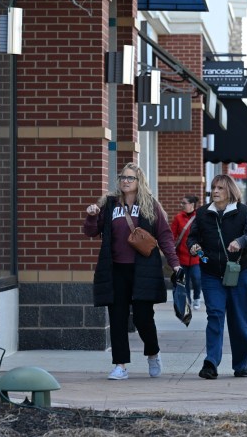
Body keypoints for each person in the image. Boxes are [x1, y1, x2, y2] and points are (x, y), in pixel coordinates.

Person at [84, 163, 180, 381]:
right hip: (115, 269)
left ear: (139, 182)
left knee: (143, 318)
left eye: (130, 178)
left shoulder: (150, 205)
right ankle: (120, 365)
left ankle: (153, 353)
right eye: (122, 177)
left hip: (143, 270)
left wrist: (175, 264)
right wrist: (91, 216)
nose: (125, 181)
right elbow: (91, 231)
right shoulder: (109, 204)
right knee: (117, 318)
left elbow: (165, 236)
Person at [187, 175, 247, 380]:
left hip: (240, 272)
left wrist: (241, 241)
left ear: (230, 191)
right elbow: (192, 237)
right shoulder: (203, 213)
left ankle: (241, 363)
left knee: (239, 319)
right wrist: (193, 246)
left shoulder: (243, 212)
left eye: (220, 188)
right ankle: (211, 363)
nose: (215, 191)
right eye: (214, 187)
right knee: (214, 314)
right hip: (211, 273)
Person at [171, 195, 202, 310]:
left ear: (192, 205)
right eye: (182, 203)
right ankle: (187, 300)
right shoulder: (178, 218)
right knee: (184, 280)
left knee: (197, 278)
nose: (182, 205)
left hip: (196, 256)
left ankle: (197, 297)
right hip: (181, 256)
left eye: (184, 203)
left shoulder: (199, 217)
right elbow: (172, 234)